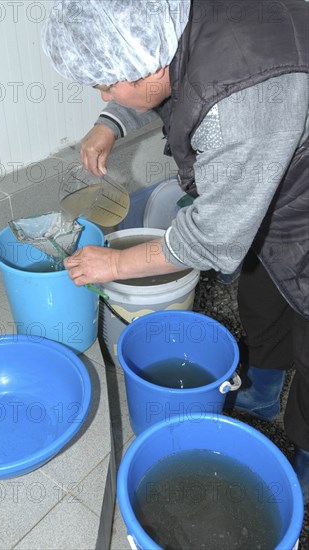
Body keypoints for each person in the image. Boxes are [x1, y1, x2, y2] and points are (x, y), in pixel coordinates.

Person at [42, 0, 309, 503]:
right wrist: (111, 120)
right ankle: (260, 393)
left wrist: (116, 263)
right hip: (270, 184)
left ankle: (300, 464)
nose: (103, 92)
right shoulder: (175, 21)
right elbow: (156, 65)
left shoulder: (244, 100)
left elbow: (213, 237)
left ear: (147, 63)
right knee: (263, 297)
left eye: (107, 84)